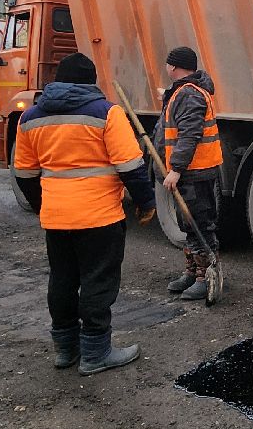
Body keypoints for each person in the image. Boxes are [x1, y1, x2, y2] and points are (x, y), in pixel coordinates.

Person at [13, 53, 157, 375]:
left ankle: (65, 350)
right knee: (98, 281)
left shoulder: (31, 118)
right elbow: (131, 167)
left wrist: (43, 206)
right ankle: (95, 353)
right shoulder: (107, 113)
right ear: (92, 81)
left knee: (62, 279)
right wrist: (146, 203)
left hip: (57, 218)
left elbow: (24, 174)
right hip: (99, 217)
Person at [155, 46, 223, 301]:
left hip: (195, 172)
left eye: (168, 64)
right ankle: (193, 271)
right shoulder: (183, 93)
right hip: (193, 172)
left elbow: (190, 134)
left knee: (199, 223)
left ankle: (205, 277)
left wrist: (176, 169)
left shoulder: (189, 95)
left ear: (173, 67)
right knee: (188, 223)